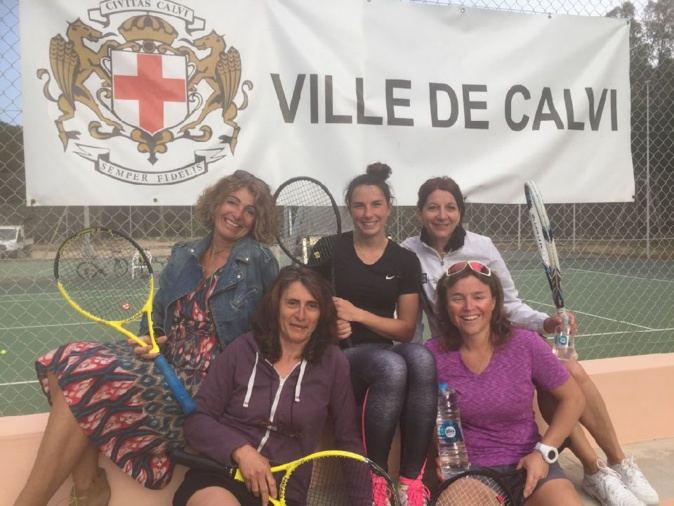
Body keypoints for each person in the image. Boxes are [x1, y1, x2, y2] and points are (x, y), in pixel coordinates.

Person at [14, 171, 280, 506]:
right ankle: (88, 487)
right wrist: (150, 337)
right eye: (232, 202)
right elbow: (154, 314)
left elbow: (273, 328)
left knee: (83, 379)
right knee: (63, 361)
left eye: (250, 210)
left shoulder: (260, 261)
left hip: (210, 381)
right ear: (215, 204)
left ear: (257, 220)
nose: (237, 214)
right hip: (164, 363)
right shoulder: (184, 254)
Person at [401, 176, 659, 506]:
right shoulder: (407, 253)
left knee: (569, 373)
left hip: (496, 343)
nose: (442, 215)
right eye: (433, 208)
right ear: (419, 212)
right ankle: (591, 467)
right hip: (451, 351)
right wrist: (418, 361)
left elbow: (509, 302)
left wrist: (544, 322)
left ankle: (610, 464)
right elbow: (409, 317)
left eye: (450, 207)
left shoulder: (483, 248)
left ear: (460, 211)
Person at [173, 265, 363, 506]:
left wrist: (364, 501)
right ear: (276, 306)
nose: (301, 315)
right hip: (221, 476)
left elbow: (348, 440)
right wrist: (241, 450)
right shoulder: (242, 350)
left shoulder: (333, 362)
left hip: (284, 491)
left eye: (312, 306)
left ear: (321, 313)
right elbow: (198, 419)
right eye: (292, 303)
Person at [320, 163, 437, 506]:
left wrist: (357, 314)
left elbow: (406, 328)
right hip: (339, 355)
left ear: (389, 207)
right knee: (392, 366)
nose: (368, 213)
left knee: (421, 357)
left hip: (381, 351)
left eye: (376, 204)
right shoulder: (328, 248)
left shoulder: (404, 260)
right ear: (349, 209)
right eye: (359, 205)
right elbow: (306, 305)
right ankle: (375, 479)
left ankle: (410, 484)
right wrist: (329, 325)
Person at [427, 261, 586, 505]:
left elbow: (574, 398)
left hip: (530, 465)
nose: (469, 307)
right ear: (446, 306)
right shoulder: (432, 355)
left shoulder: (526, 343)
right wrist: (440, 457)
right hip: (471, 473)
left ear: (494, 302)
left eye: (478, 296)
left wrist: (544, 452)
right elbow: (423, 416)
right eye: (457, 298)